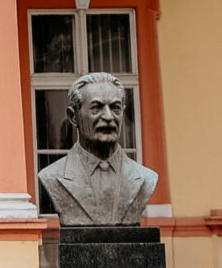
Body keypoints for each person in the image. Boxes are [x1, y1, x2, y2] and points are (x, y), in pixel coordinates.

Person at [34, 71, 158, 226]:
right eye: (96, 108)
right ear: (74, 117)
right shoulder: (52, 176)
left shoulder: (146, 178)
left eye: (115, 108)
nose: (108, 117)